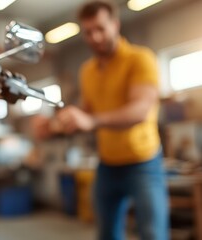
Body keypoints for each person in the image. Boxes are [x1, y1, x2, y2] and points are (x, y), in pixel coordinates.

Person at [32, 1, 169, 239]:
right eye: (88, 32)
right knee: (106, 234)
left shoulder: (141, 59)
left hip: (143, 162)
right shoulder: (88, 70)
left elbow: (140, 111)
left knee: (153, 233)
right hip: (107, 164)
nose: (94, 37)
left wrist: (92, 121)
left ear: (115, 25)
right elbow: (85, 113)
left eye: (100, 28)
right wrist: (54, 126)